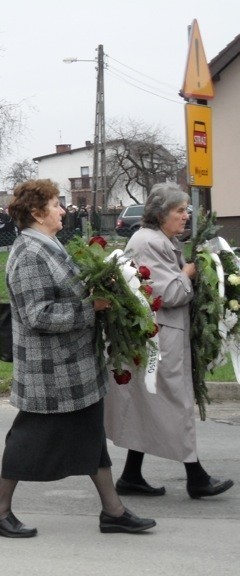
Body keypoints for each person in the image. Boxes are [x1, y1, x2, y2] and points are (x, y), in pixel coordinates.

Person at [0, 179, 155, 538]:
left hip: (73, 368)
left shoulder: (48, 245)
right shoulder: (29, 253)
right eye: (56, 203)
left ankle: (113, 511)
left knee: (91, 436)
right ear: (36, 212)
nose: (62, 210)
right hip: (51, 373)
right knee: (28, 440)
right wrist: (91, 308)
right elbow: (36, 314)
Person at [105, 182, 234, 499]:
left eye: (186, 210)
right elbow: (167, 292)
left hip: (160, 335)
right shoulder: (150, 242)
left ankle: (131, 476)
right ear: (161, 214)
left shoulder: (155, 239)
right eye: (179, 211)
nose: (185, 216)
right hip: (160, 337)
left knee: (149, 406)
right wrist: (190, 273)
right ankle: (197, 477)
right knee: (173, 404)